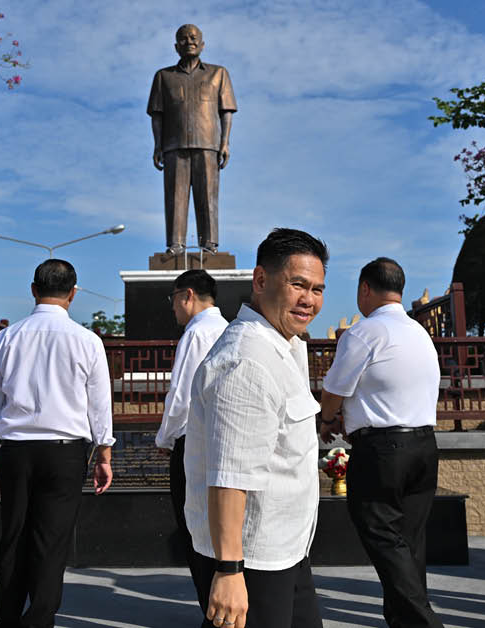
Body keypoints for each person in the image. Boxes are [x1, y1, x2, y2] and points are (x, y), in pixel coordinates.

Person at [184, 227, 327, 628]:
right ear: (261, 280)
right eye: (298, 284)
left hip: (285, 548)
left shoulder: (284, 344)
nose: (309, 300)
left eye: (317, 289)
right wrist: (229, 571)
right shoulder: (247, 360)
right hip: (253, 559)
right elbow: (229, 474)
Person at [0, 259, 116, 628]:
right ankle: (39, 620)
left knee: (13, 538)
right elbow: (99, 403)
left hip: (15, 450)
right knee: (51, 542)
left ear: (33, 290)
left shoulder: (5, 339)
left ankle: (6, 619)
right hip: (64, 452)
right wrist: (103, 453)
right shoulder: (87, 341)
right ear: (73, 293)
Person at [319, 258, 444, 628]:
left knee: (381, 533)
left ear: (365, 289)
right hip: (424, 444)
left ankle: (422, 623)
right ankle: (402, 619)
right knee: (409, 540)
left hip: (384, 449)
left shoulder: (364, 333)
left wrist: (327, 420)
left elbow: (334, 389)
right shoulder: (419, 332)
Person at [155, 270, 229, 599]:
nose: (172, 309)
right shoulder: (229, 330)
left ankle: (211, 611)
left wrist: (164, 438)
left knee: (195, 528)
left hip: (193, 444)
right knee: (222, 530)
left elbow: (181, 396)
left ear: (187, 296)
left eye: (173, 300)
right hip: (225, 441)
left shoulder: (196, 333)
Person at [148, 23, 238, 255]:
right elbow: (157, 115)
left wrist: (225, 142)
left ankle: (209, 245)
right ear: (176, 46)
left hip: (208, 143)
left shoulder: (218, 74)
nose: (189, 41)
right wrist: (157, 145)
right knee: (175, 197)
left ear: (202, 44)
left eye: (194, 37)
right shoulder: (163, 77)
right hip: (173, 144)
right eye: (184, 38)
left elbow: (225, 110)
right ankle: (176, 244)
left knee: (207, 197)